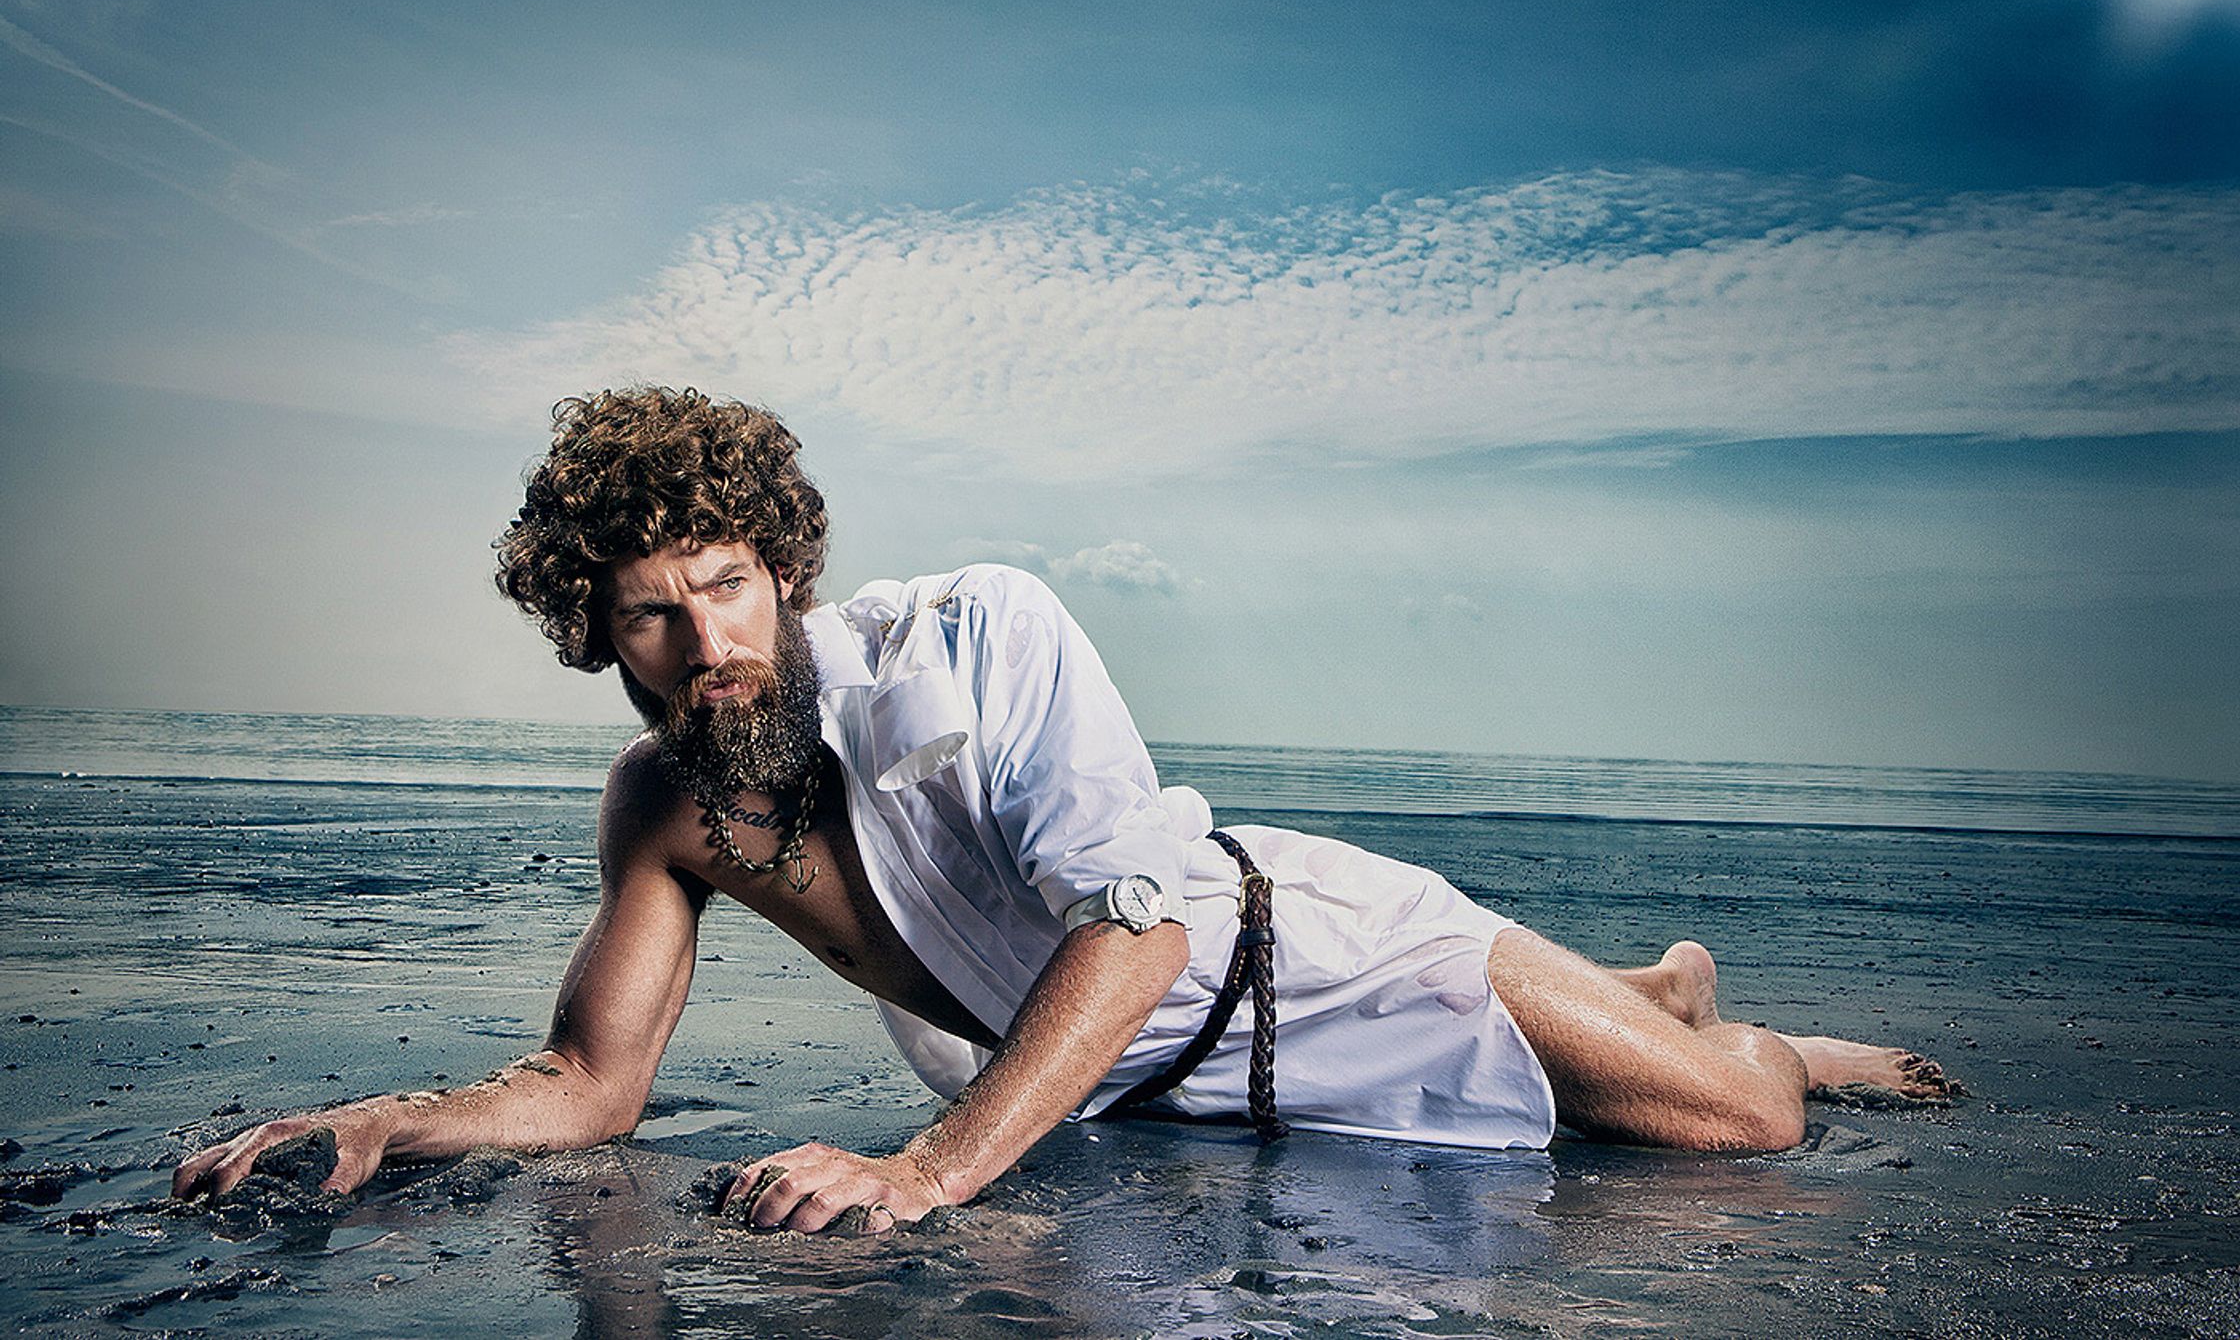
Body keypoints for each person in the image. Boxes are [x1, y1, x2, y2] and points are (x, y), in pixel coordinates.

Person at [173, 386, 1954, 1231]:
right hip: (1147, 1091)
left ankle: (1716, 1006)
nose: (704, 636)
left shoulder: (978, 628)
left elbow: (1141, 920)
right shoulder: (662, 805)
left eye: (725, 580)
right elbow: (590, 1079)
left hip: (1295, 961)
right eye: (650, 606)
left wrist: (928, 1168)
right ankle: (1636, 996)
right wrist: (389, 1122)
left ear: (780, 563)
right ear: (594, 627)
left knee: (1740, 1131)